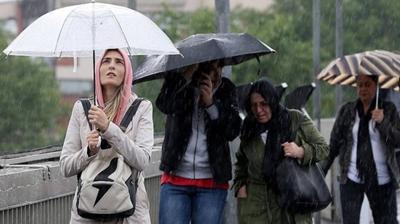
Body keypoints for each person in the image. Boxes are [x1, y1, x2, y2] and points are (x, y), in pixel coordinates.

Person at [60, 49, 154, 224]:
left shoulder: (142, 107)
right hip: (88, 213)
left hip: (130, 214)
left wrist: (108, 128)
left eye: (119, 62)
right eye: (106, 61)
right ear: (97, 69)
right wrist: (88, 151)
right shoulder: (82, 108)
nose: (112, 65)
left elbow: (142, 160)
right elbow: (65, 166)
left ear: (127, 71)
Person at [156, 60, 241, 224]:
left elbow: (232, 130)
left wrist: (211, 104)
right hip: (176, 178)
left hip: (212, 181)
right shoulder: (179, 83)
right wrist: (185, 75)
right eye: (204, 66)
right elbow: (164, 104)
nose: (209, 72)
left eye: (214, 67)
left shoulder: (226, 89)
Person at [233, 79, 329, 224]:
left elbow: (324, 148)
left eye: (263, 104)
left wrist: (301, 151)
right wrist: (240, 186)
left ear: (272, 101)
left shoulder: (294, 119)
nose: (259, 110)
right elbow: (241, 162)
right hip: (256, 207)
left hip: (291, 201)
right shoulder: (249, 129)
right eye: (254, 105)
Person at [321, 74, 400, 224]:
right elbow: (334, 144)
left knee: (387, 221)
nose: (363, 89)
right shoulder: (347, 111)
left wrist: (383, 122)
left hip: (381, 179)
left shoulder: (388, 109)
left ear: (376, 86)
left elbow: (397, 141)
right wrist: (321, 172)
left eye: (368, 84)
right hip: (351, 176)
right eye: (360, 85)